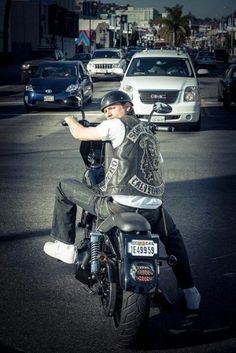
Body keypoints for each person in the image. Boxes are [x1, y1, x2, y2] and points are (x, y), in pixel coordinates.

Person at [44, 90, 201, 311]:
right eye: (105, 111)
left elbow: (81, 133)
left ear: (127, 106)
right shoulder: (149, 133)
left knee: (64, 187)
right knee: (173, 238)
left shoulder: (117, 125)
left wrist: (70, 119)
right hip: (152, 209)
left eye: (112, 108)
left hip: (121, 206)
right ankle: (190, 291)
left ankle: (65, 246)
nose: (109, 113)